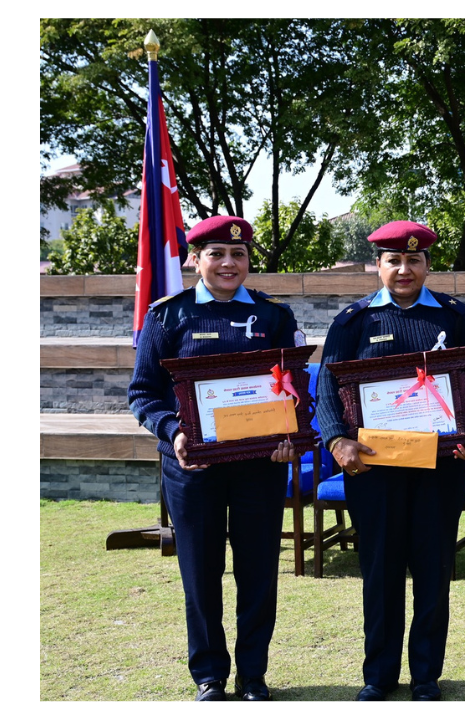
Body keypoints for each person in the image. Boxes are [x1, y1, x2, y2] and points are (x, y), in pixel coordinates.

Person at [128, 216, 301, 701]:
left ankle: (253, 674)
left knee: (258, 571)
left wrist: (290, 434)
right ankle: (209, 675)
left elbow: (295, 387)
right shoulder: (168, 316)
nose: (229, 263)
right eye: (217, 254)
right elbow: (143, 393)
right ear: (195, 259)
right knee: (201, 573)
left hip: (259, 464)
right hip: (192, 466)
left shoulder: (274, 316)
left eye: (238, 254)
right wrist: (173, 431)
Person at [315, 221, 465, 701]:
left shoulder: (455, 317)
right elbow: (327, 388)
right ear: (378, 265)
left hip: (440, 466)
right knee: (381, 572)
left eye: (414, 260)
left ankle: (426, 675)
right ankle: (379, 674)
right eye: (394, 260)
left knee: (433, 570)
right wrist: (337, 441)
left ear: (428, 264)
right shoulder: (353, 321)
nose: (404, 269)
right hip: (373, 468)